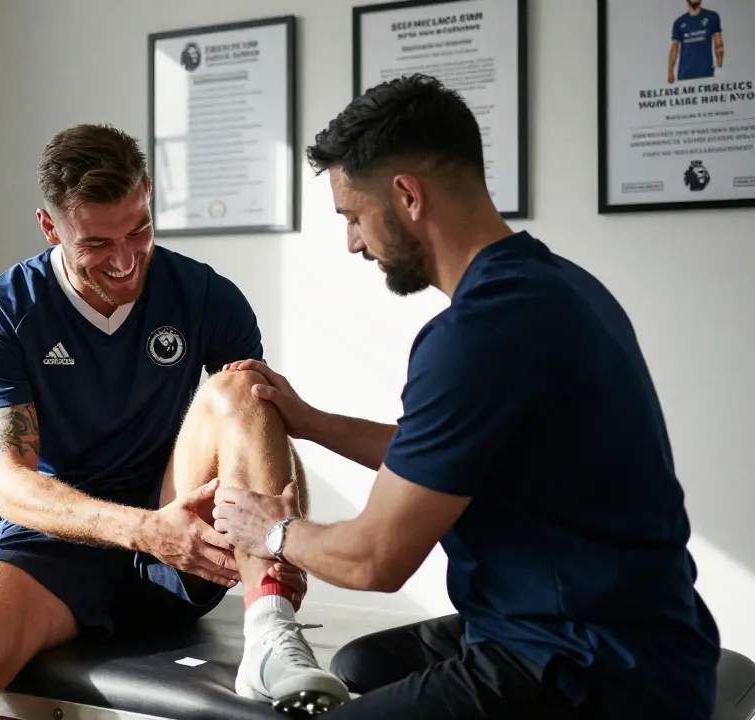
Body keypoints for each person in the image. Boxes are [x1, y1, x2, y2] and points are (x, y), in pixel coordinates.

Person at [212, 74, 722, 719]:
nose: (353, 243)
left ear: (406, 196)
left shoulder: (476, 334)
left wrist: (273, 530)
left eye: (353, 217)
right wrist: (311, 422)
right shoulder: (559, 287)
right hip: (649, 628)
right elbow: (448, 452)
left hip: (585, 667)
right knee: (359, 665)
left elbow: (374, 560)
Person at [0, 123, 351, 719]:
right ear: (50, 227)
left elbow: (255, 427)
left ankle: (269, 630)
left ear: (146, 195)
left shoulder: (205, 296)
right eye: (95, 243)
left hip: (187, 532)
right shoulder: (3, 313)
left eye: (139, 230)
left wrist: (278, 542)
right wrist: (145, 529)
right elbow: (10, 484)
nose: (124, 260)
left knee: (242, 384)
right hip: (62, 540)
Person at [670, 0, 724, 84]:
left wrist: (719, 64)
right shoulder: (679, 22)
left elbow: (718, 43)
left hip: (706, 73)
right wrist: (670, 71)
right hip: (685, 74)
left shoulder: (712, 17)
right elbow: (674, 47)